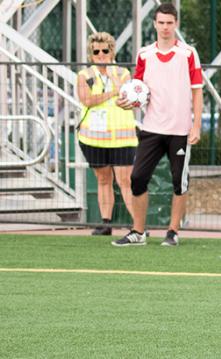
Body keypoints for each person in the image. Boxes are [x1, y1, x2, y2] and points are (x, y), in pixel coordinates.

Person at [112, 3, 203, 246]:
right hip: (151, 128)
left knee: (178, 182)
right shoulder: (144, 54)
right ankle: (138, 232)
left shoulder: (188, 54)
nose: (165, 27)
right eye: (161, 23)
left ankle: (173, 232)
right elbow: (138, 90)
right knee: (137, 178)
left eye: (169, 23)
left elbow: (197, 93)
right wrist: (128, 102)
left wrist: (196, 127)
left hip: (180, 130)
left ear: (176, 24)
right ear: (154, 24)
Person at [76, 32, 137, 236]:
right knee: (103, 179)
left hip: (122, 139)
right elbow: (87, 100)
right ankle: (106, 223)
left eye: (105, 50)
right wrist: (112, 92)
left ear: (112, 52)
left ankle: (138, 225)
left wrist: (112, 80)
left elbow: (129, 96)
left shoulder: (122, 73)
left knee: (125, 181)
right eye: (96, 51)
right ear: (91, 55)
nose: (101, 54)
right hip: (94, 138)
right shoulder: (85, 75)